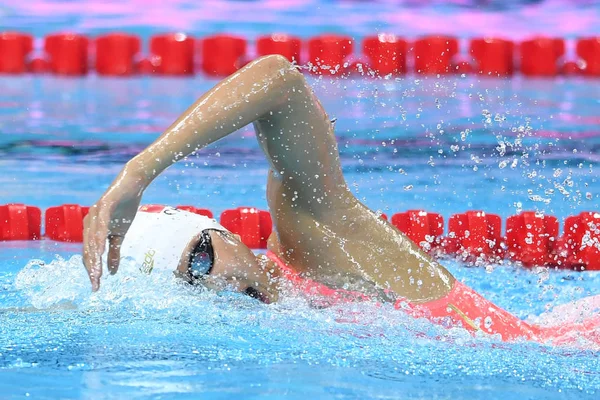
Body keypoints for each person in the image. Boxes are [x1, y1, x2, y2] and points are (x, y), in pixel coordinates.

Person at [83, 55, 599, 345]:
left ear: (225, 231)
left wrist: (137, 173)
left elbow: (279, 80)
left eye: (202, 254)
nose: (216, 279)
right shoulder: (288, 325)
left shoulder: (311, 237)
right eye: (190, 278)